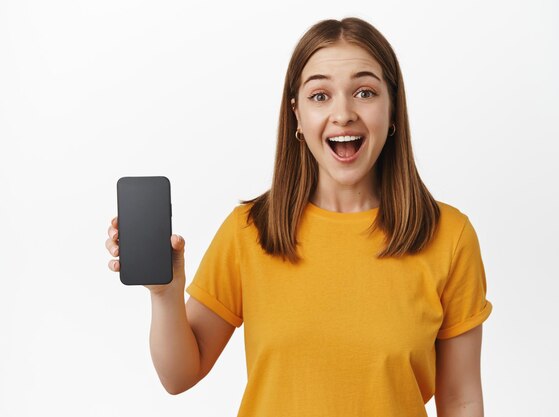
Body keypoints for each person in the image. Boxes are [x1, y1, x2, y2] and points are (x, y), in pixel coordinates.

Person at [105, 16, 493, 417]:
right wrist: (165, 293)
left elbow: (461, 399)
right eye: (320, 95)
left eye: (364, 92)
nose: (343, 113)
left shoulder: (449, 237)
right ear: (297, 116)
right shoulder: (250, 230)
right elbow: (179, 376)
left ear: (393, 110)